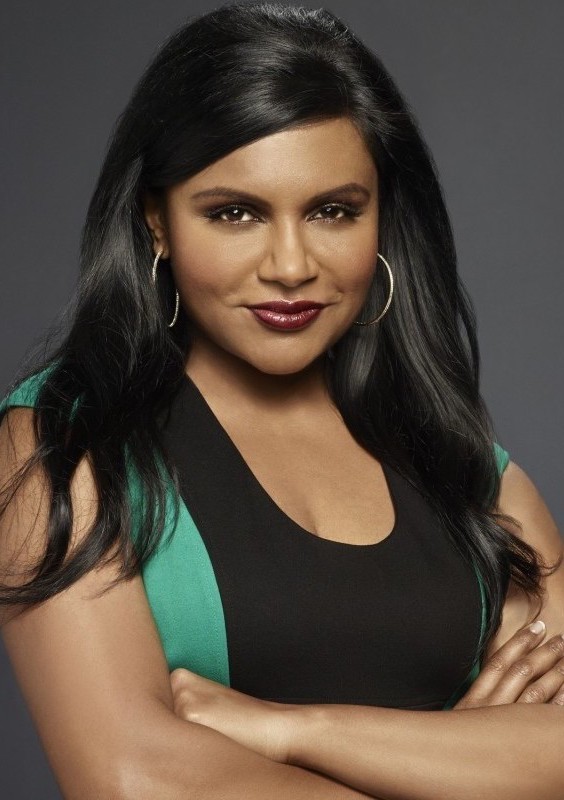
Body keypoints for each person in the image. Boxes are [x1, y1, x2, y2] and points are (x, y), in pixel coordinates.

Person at [0, 2, 563, 798]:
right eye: (235, 213)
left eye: (333, 211)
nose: (291, 266)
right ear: (157, 221)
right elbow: (133, 778)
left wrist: (294, 730)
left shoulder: (470, 473)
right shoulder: (67, 444)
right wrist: (460, 762)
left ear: (380, 217)